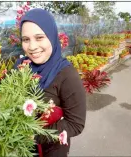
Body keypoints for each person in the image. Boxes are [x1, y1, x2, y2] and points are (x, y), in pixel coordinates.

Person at [14, 8, 86, 157]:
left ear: (52, 37)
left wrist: (35, 136)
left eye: (39, 37)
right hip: (19, 147)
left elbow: (75, 124)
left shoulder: (67, 75)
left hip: (52, 150)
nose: (32, 47)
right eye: (26, 39)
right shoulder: (21, 66)